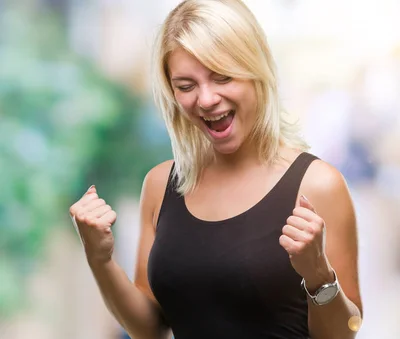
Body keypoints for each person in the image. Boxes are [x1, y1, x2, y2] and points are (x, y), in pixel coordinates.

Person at [68, 0, 363, 338]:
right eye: (186, 86)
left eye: (222, 76)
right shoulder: (161, 185)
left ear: (256, 70)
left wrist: (318, 275)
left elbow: (346, 332)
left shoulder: (318, 185)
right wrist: (100, 257)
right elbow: (149, 329)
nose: (206, 99)